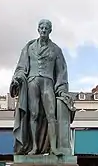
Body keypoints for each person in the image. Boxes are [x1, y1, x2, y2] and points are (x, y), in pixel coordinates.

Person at [10, 19, 76, 156]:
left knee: (51, 115)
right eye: (41, 27)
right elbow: (21, 67)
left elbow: (61, 71)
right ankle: (34, 147)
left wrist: (61, 89)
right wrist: (18, 77)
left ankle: (54, 147)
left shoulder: (56, 50)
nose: (44, 30)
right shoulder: (29, 47)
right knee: (33, 115)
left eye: (46, 28)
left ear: (50, 30)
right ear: (38, 29)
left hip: (48, 83)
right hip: (32, 82)